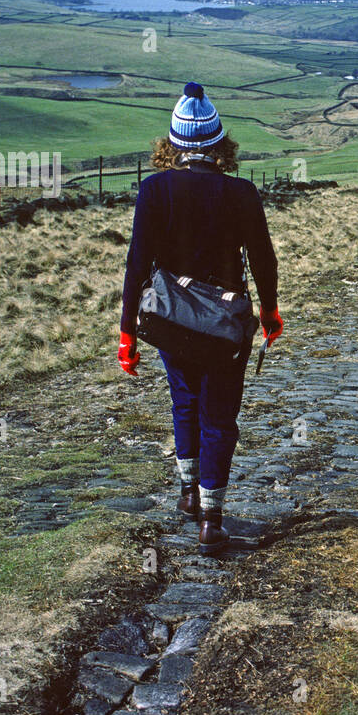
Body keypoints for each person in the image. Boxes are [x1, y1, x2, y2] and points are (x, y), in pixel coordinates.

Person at [116, 82, 283, 554]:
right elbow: (264, 260)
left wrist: (127, 331)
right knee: (220, 418)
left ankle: (188, 492)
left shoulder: (155, 190)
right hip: (226, 328)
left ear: (172, 143)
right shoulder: (242, 192)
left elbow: (136, 263)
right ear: (218, 143)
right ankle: (212, 518)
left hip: (172, 322)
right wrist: (268, 311)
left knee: (184, 402)